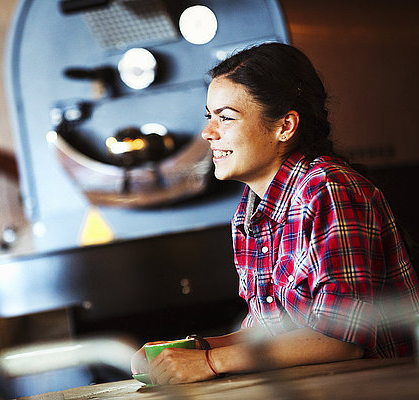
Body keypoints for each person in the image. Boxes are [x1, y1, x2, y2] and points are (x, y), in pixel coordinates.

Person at [131, 42, 419, 385]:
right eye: (209, 117)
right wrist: (187, 349)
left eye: (226, 117)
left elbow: (342, 340)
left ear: (285, 126)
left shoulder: (328, 189)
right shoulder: (249, 212)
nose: (208, 133)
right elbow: (270, 335)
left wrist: (209, 361)